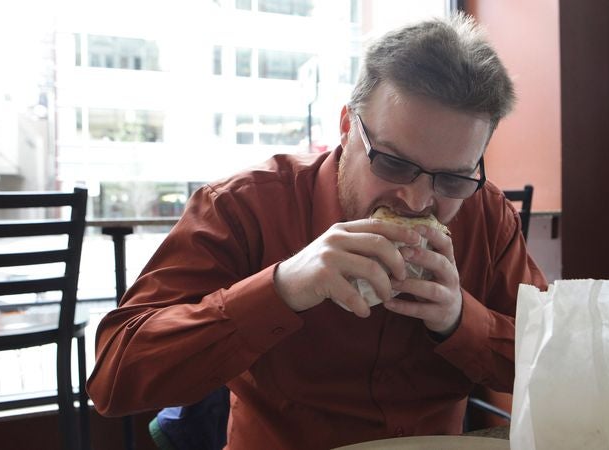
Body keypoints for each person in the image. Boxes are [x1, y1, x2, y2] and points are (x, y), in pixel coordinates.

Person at [87, 13, 546, 450]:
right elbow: (115, 376)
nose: (418, 200)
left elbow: (557, 364)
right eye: (393, 163)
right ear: (347, 128)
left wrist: (460, 320)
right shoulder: (242, 206)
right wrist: (281, 287)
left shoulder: (489, 217)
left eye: (452, 178)